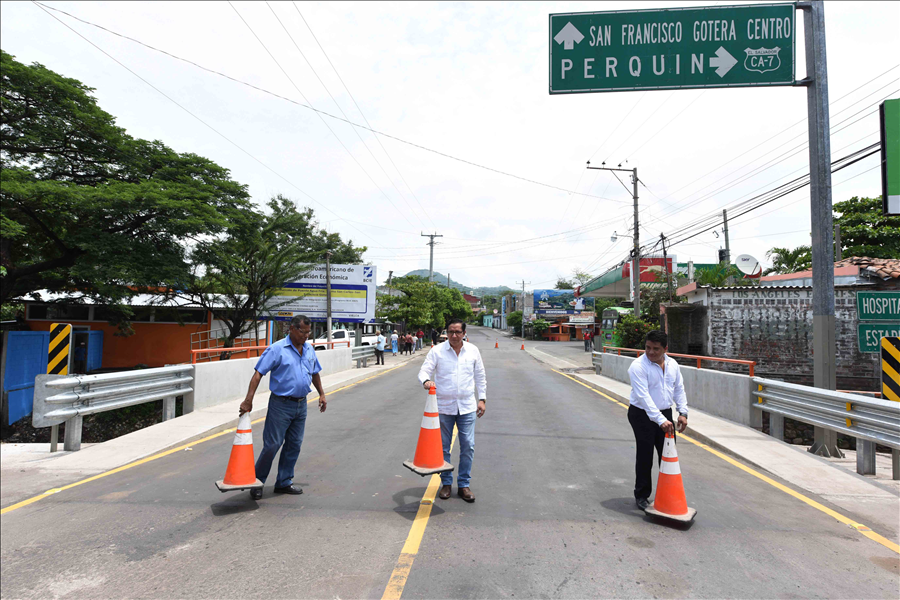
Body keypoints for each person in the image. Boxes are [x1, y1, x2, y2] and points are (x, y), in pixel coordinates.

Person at [239, 315, 326, 501]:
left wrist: (322, 394)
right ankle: (257, 482)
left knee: (294, 445)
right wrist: (248, 400)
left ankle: (284, 481)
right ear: (292, 329)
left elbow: (315, 372)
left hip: (301, 404)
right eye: (303, 332)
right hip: (281, 405)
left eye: (308, 332)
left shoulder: (309, 349)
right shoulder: (277, 349)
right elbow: (258, 373)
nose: (306, 336)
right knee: (272, 445)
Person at [418, 318, 487, 503]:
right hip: (443, 407)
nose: (454, 335)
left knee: (468, 446)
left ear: (464, 333)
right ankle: (446, 483)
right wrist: (426, 381)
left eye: (458, 332)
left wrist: (482, 399)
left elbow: (480, 376)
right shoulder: (437, 351)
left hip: (467, 407)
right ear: (445, 333)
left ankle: (464, 485)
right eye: (450, 332)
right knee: (443, 448)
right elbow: (424, 370)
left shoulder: (473, 351)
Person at [627, 330, 688, 511]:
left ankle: (667, 493)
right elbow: (644, 397)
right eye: (647, 348)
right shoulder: (638, 366)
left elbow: (679, 389)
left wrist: (683, 412)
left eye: (656, 349)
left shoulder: (673, 364)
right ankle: (642, 495)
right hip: (641, 414)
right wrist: (660, 420)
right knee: (645, 454)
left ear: (665, 349)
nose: (651, 352)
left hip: (664, 413)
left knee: (668, 454)